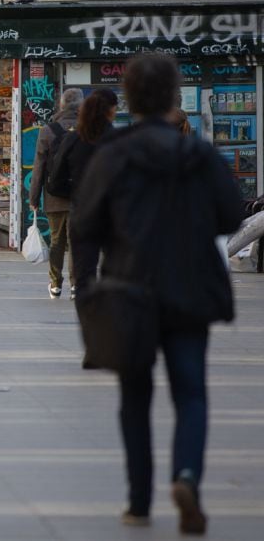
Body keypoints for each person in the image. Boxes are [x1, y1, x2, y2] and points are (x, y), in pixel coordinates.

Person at [71, 54, 243, 533]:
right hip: (190, 289)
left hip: (131, 288)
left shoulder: (114, 153)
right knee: (191, 393)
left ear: (127, 98)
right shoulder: (198, 154)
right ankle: (186, 475)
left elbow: (85, 223)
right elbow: (232, 217)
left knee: (135, 398)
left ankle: (139, 500)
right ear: (174, 96)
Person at [53, 89, 118, 297]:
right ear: (111, 111)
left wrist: (74, 192)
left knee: (84, 266)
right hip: (112, 211)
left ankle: (86, 305)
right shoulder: (118, 139)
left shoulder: (73, 139)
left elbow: (55, 179)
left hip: (82, 209)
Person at [29, 88, 84, 298]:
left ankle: (55, 283)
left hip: (54, 196)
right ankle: (76, 284)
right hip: (81, 197)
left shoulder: (48, 130)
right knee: (76, 241)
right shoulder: (89, 128)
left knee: (56, 240)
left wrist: (33, 197)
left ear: (61, 105)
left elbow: (39, 167)